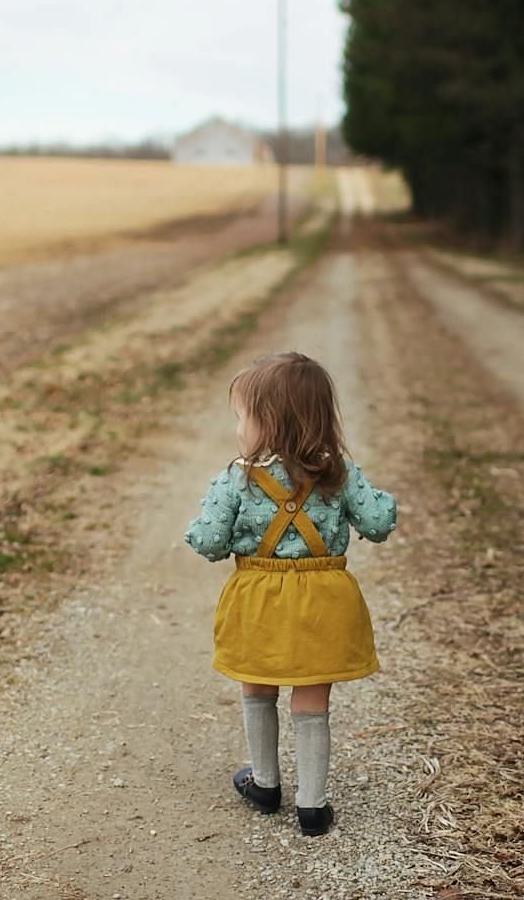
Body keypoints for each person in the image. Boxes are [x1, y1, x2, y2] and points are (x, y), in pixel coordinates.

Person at [183, 352, 398, 836]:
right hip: (325, 600)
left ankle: (264, 785)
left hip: (258, 598)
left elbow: (209, 540)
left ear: (269, 422)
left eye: (242, 417)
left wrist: (201, 534)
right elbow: (379, 522)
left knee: (258, 683)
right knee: (312, 696)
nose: (238, 428)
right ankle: (312, 808)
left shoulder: (237, 477)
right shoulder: (339, 473)